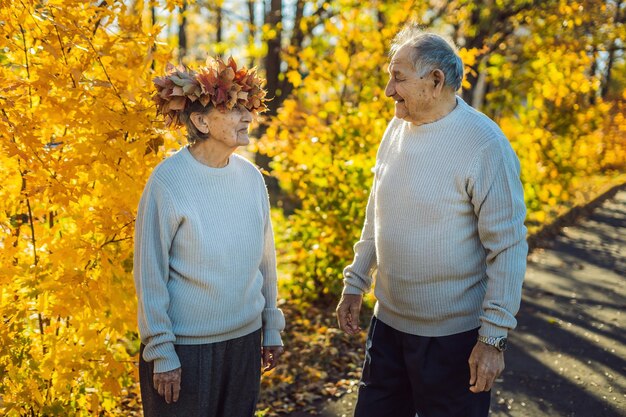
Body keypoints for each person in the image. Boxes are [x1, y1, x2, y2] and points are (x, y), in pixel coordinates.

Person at [336, 25, 528, 417]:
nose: (389, 90)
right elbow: (378, 209)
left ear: (436, 80)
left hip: (453, 341)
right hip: (388, 329)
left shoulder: (484, 144)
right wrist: (356, 280)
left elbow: (507, 246)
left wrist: (493, 339)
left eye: (398, 78)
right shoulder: (396, 128)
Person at [134, 57, 285, 417]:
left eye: (248, 107)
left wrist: (271, 327)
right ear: (201, 121)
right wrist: (161, 350)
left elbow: (266, 260)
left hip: (244, 344)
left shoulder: (251, 178)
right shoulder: (168, 182)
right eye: (234, 108)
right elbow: (149, 274)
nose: (248, 117)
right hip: (186, 351)